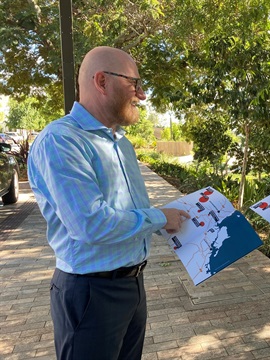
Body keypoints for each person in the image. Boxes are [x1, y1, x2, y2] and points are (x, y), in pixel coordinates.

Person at [28, 46, 190, 360]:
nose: (142, 95)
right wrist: (159, 218)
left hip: (132, 286)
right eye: (135, 84)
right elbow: (91, 224)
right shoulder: (62, 140)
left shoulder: (121, 143)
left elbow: (131, 212)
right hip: (91, 294)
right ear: (102, 82)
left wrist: (179, 220)